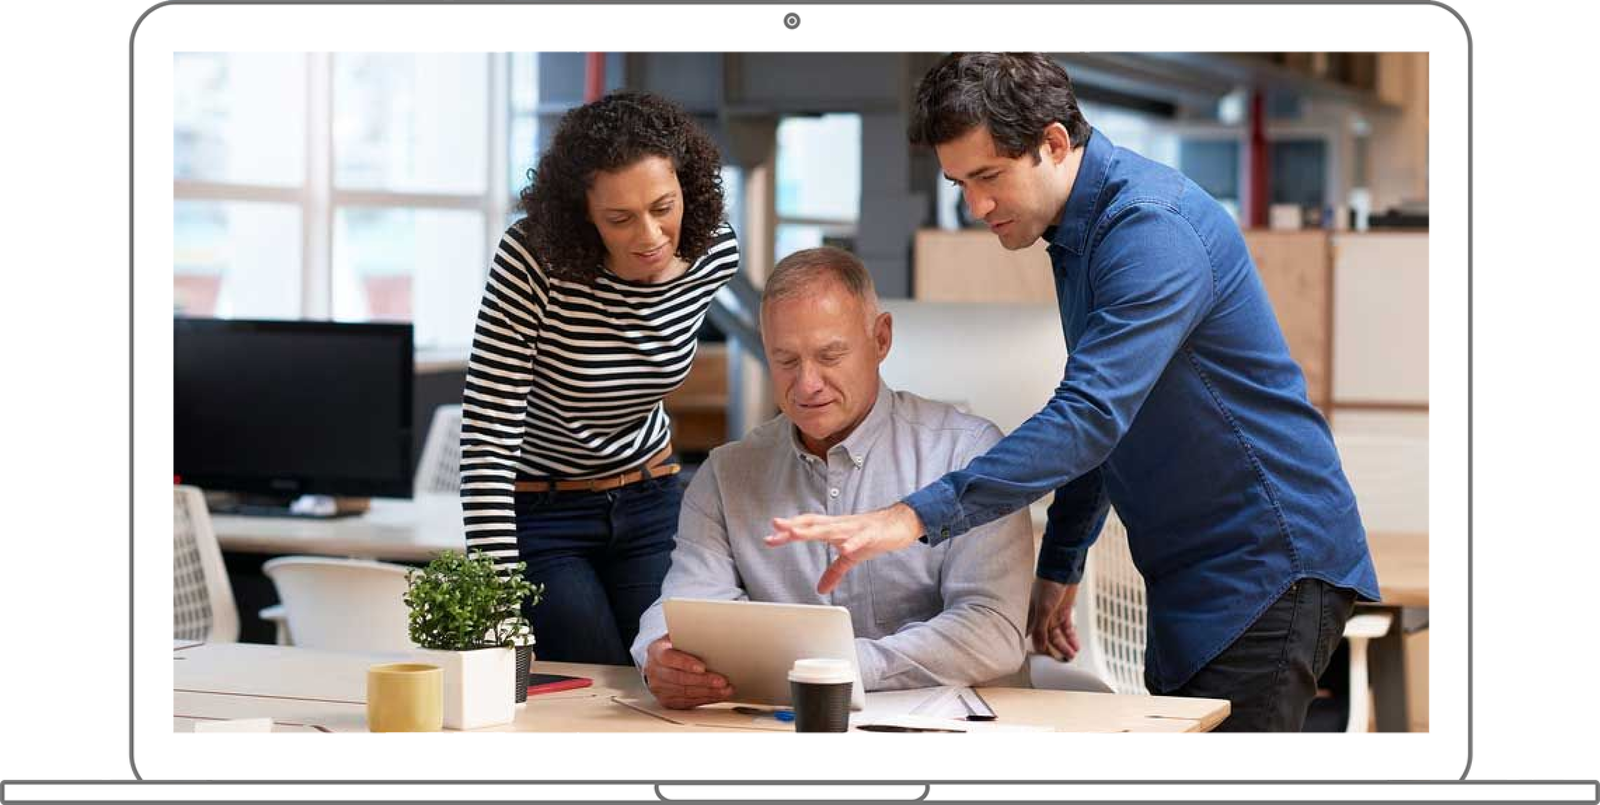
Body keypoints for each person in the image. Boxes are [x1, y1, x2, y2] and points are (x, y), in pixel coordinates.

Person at [765, 53, 1378, 731]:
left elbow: (1089, 417)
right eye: (960, 183)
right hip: (1193, 575)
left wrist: (908, 517)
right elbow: (1106, 410)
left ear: (1054, 143)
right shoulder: (1076, 235)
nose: (975, 206)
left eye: (988, 176)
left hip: (1267, 563)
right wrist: (1060, 561)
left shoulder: (1150, 230)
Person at [631, 247, 1030, 709]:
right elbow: (683, 608)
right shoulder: (725, 476)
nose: (806, 384)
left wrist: (834, 668)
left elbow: (991, 632)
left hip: (960, 742)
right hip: (788, 739)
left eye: (829, 355)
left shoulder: (968, 452)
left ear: (881, 339)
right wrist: (659, 654)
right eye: (786, 360)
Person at [460, 91, 740, 666]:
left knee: (669, 675)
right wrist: (498, 601)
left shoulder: (715, 252)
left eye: (663, 206)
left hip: (650, 497)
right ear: (583, 215)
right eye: (620, 218)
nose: (650, 236)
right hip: (543, 511)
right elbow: (488, 435)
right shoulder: (533, 260)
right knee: (593, 680)